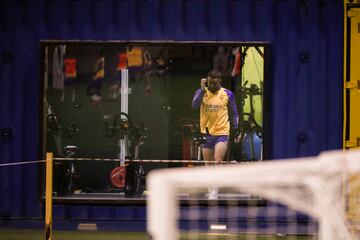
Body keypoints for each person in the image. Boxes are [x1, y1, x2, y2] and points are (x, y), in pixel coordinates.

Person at [191, 69, 240, 199]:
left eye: (215, 83)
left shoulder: (228, 94)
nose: (212, 86)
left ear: (220, 82)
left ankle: (215, 190)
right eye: (210, 83)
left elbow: (234, 113)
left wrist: (236, 130)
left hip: (222, 132)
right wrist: (202, 90)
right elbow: (194, 106)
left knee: (218, 160)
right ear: (207, 81)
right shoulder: (201, 92)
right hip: (206, 133)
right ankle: (210, 188)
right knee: (208, 163)